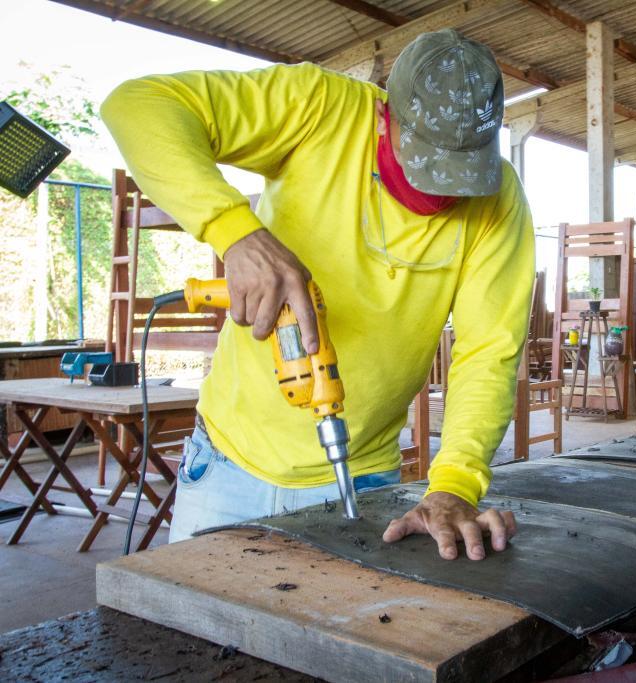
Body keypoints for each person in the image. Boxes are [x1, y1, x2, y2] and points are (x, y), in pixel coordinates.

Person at [101, 29, 534, 561]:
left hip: (360, 473)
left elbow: (487, 353)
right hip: (225, 464)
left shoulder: (500, 201)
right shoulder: (320, 107)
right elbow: (138, 104)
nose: (442, 191)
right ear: (383, 116)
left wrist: (454, 484)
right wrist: (235, 232)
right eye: (425, 163)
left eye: (461, 172)